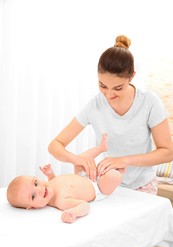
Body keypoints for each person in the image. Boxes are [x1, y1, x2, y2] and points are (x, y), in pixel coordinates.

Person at [48, 34, 173, 195]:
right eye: (102, 85)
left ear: (132, 77)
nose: (108, 95)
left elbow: (168, 152)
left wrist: (123, 160)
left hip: (142, 184)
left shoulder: (149, 102)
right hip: (108, 183)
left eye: (118, 88)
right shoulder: (94, 105)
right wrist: (76, 159)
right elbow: (55, 145)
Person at [7, 134, 123, 223]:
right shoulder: (61, 202)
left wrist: (50, 174)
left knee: (79, 159)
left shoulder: (49, 185)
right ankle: (121, 169)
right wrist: (74, 212)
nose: (39, 190)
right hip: (97, 188)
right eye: (33, 196)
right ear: (32, 208)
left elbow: (57, 182)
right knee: (113, 176)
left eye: (36, 183)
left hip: (82, 176)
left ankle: (101, 148)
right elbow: (85, 206)